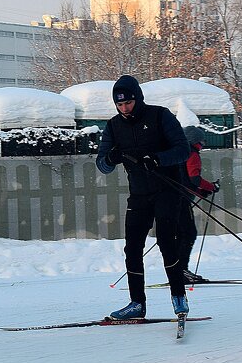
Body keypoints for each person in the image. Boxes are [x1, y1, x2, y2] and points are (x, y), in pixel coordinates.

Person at [95, 75, 192, 319]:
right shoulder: (113, 126)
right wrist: (110, 159)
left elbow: (183, 149)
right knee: (133, 247)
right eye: (120, 105)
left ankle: (178, 296)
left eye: (128, 103)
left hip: (167, 189)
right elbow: (102, 164)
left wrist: (158, 158)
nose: (125, 108)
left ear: (138, 99)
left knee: (166, 241)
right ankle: (137, 303)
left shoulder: (160, 116)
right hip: (139, 193)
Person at [177, 125, 221, 285]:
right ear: (194, 141)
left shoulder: (177, 153)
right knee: (188, 234)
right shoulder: (191, 153)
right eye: (201, 141)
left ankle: (177, 271)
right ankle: (181, 271)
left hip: (170, 200)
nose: (202, 144)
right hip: (181, 202)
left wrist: (200, 192)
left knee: (180, 235)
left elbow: (183, 181)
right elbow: (194, 178)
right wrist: (210, 187)